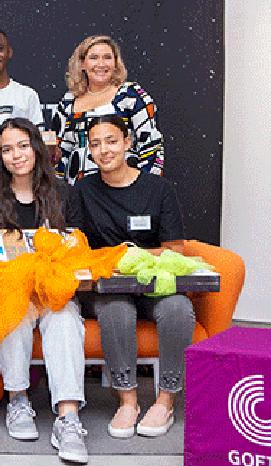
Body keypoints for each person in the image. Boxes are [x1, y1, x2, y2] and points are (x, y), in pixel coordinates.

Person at [0, 117, 88, 464]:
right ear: (0, 156)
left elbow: (79, 248)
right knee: (15, 310)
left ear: (37, 148)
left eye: (23, 146)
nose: (16, 155)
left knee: (65, 318)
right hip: (5, 292)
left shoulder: (64, 194)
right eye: (7, 149)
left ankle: (68, 418)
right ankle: (18, 401)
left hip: (53, 291)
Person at [75, 114, 194, 439]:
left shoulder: (159, 189)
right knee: (116, 310)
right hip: (108, 288)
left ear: (127, 142)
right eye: (95, 144)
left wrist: (129, 257)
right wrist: (113, 259)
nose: (104, 150)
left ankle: (166, 400)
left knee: (178, 309)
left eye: (111, 141)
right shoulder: (83, 190)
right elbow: (77, 247)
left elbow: (174, 249)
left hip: (156, 285)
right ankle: (127, 400)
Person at [52, 35, 164, 185]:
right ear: (82, 64)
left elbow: (152, 145)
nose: (101, 64)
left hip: (124, 189)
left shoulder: (130, 95)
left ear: (116, 63)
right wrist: (58, 190)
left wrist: (145, 189)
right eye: (94, 58)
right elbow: (58, 153)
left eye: (107, 57)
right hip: (78, 190)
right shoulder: (68, 101)